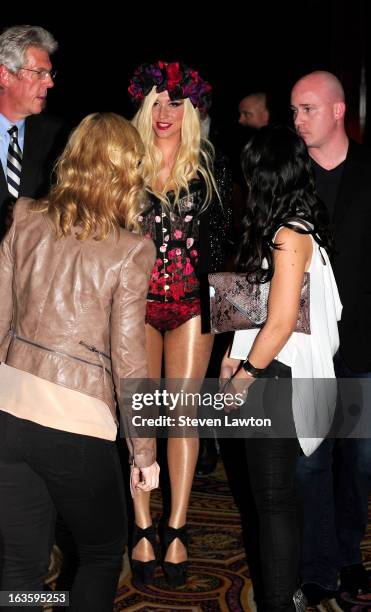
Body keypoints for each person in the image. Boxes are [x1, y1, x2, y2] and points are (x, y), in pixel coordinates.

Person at [0, 112, 159, 612]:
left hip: (9, 411)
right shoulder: (131, 250)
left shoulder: (24, 217)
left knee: (20, 567)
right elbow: (130, 360)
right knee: (100, 554)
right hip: (76, 424)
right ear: (126, 173)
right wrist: (144, 454)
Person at [220, 125, 342, 611]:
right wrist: (233, 353)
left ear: (264, 175)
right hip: (278, 374)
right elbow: (253, 299)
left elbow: (282, 320)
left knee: (271, 503)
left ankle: (277, 601)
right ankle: (284, 593)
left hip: (277, 378)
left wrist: (243, 375)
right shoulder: (293, 226)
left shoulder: (289, 235)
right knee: (277, 500)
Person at [127, 60, 231, 587]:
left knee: (183, 416)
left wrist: (243, 334)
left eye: (175, 104)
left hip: (194, 304)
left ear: (191, 110)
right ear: (144, 108)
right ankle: (142, 527)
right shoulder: (126, 163)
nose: (165, 113)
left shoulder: (211, 166)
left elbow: (234, 247)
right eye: (156, 103)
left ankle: (177, 525)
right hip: (137, 305)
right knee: (141, 418)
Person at [291, 70, 371, 607]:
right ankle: (318, 566)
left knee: (359, 462)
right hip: (305, 347)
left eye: (307, 109)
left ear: (339, 111)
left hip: (365, 343)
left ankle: (347, 555)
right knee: (311, 459)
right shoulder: (287, 175)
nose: (297, 120)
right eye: (294, 110)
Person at [0, 24, 68, 240]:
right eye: (40, 73)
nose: (50, 82)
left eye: (49, 73)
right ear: (5, 75)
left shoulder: (59, 137)